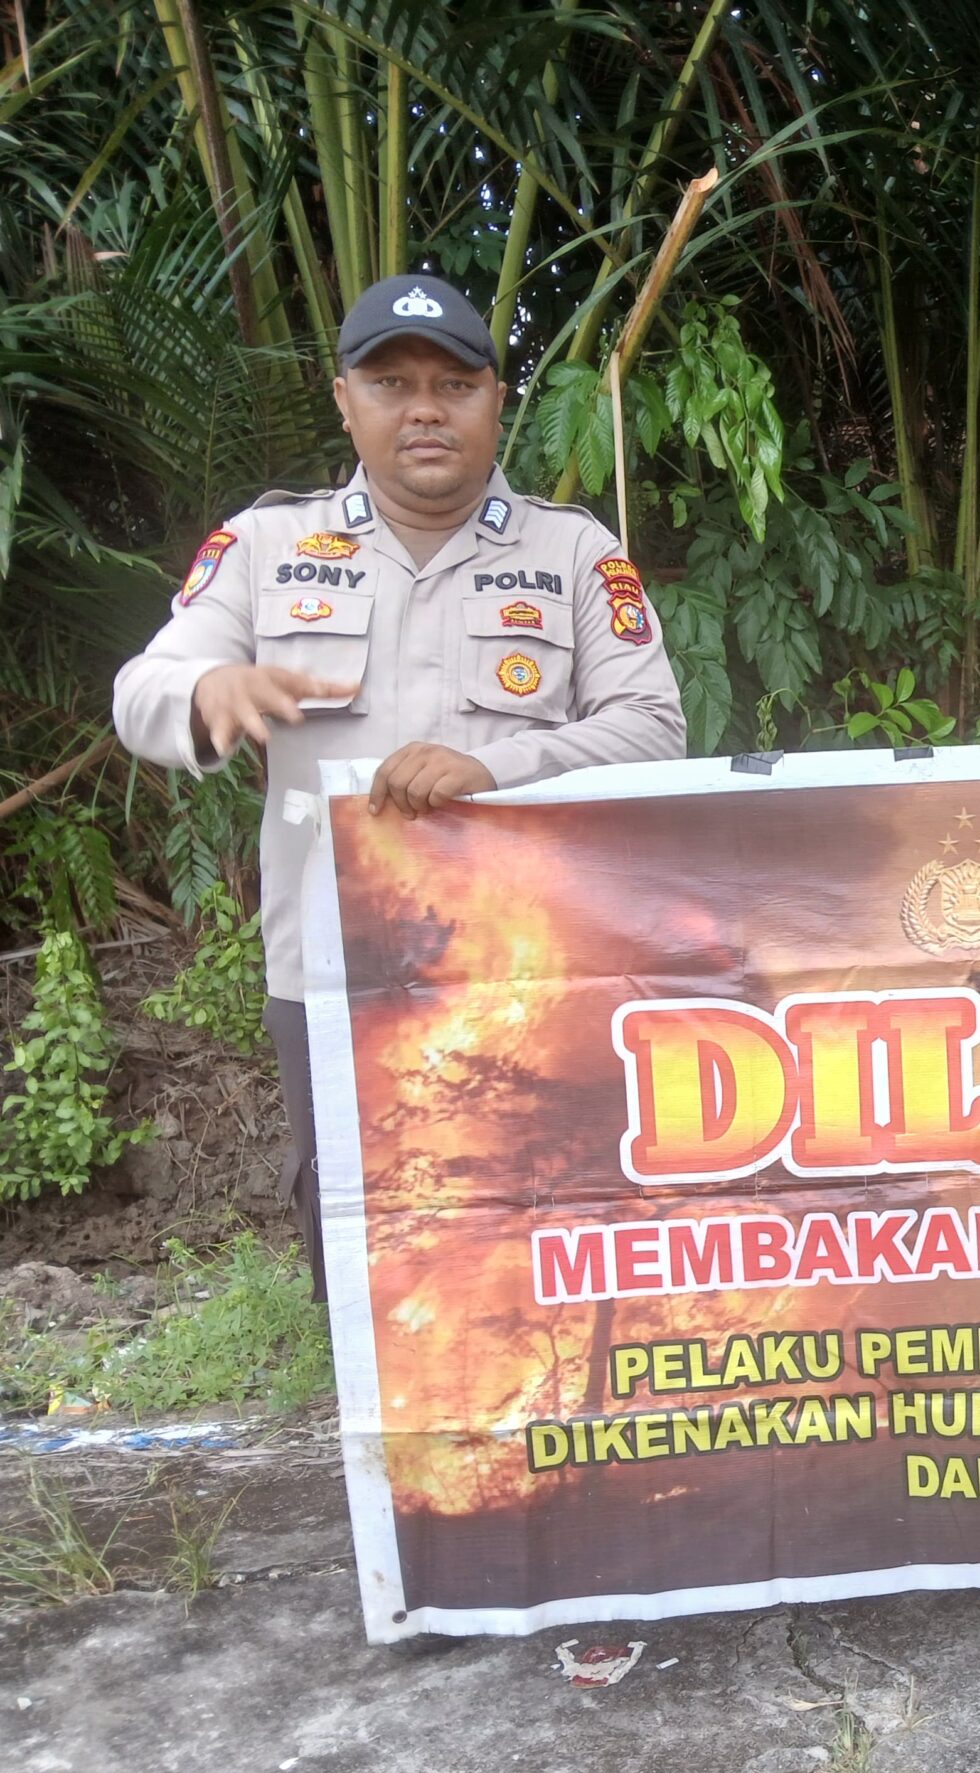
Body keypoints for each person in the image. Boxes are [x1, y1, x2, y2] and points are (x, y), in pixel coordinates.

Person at [112, 273, 687, 1295]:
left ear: (495, 400)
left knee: (546, 1217)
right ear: (346, 401)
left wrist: (496, 769)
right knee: (358, 1239)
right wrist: (208, 689)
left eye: (453, 385)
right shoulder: (266, 547)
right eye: (391, 384)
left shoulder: (574, 552)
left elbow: (654, 729)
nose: (425, 409)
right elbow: (140, 692)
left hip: (533, 963)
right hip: (335, 967)